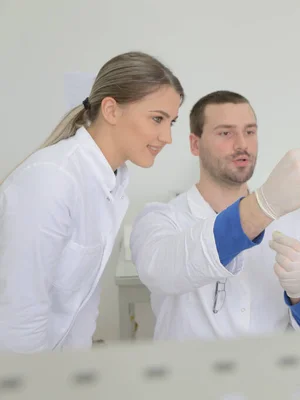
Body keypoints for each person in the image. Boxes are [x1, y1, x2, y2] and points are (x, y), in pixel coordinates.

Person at [0, 51, 184, 353]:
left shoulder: (112, 184)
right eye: (157, 119)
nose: (167, 137)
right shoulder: (52, 180)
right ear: (111, 110)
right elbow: (18, 318)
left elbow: (84, 304)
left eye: (171, 122)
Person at [129, 90, 300, 343]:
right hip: (192, 379)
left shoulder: (290, 220)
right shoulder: (161, 219)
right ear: (195, 144)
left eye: (250, 131)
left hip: (271, 378)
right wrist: (264, 205)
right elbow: (161, 272)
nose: (242, 144)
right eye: (225, 133)